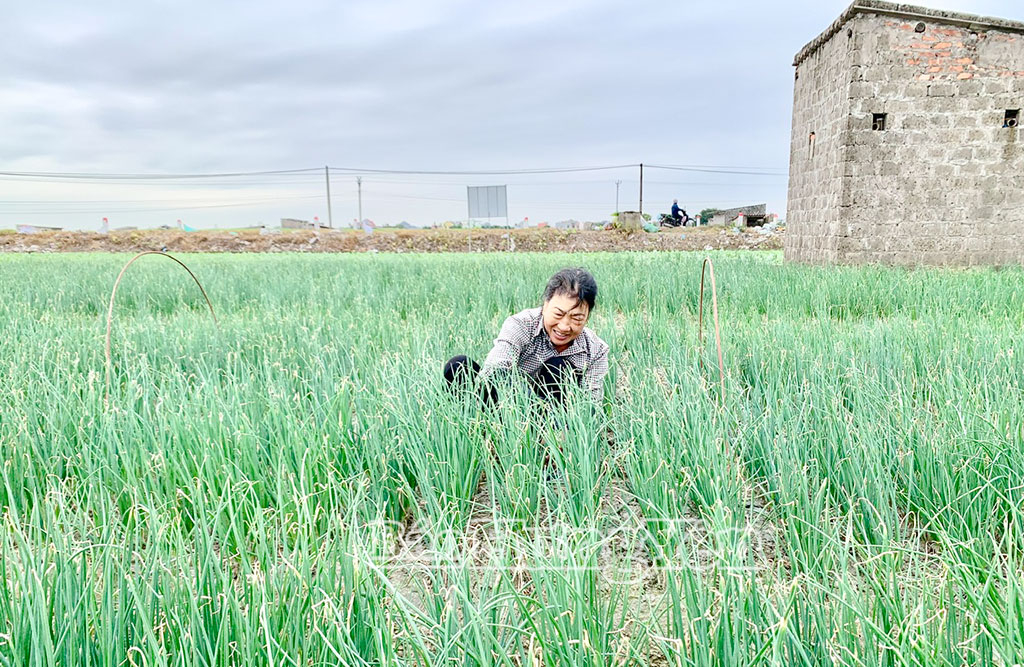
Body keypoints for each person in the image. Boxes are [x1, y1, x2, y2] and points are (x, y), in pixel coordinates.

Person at [443, 267, 609, 406]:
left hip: (552, 419)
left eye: (576, 318)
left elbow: (591, 405)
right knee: (458, 366)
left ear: (587, 317)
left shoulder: (596, 350)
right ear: (545, 305)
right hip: (504, 403)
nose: (564, 326)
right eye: (558, 314)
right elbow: (496, 369)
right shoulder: (521, 325)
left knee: (558, 367)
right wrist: (525, 407)